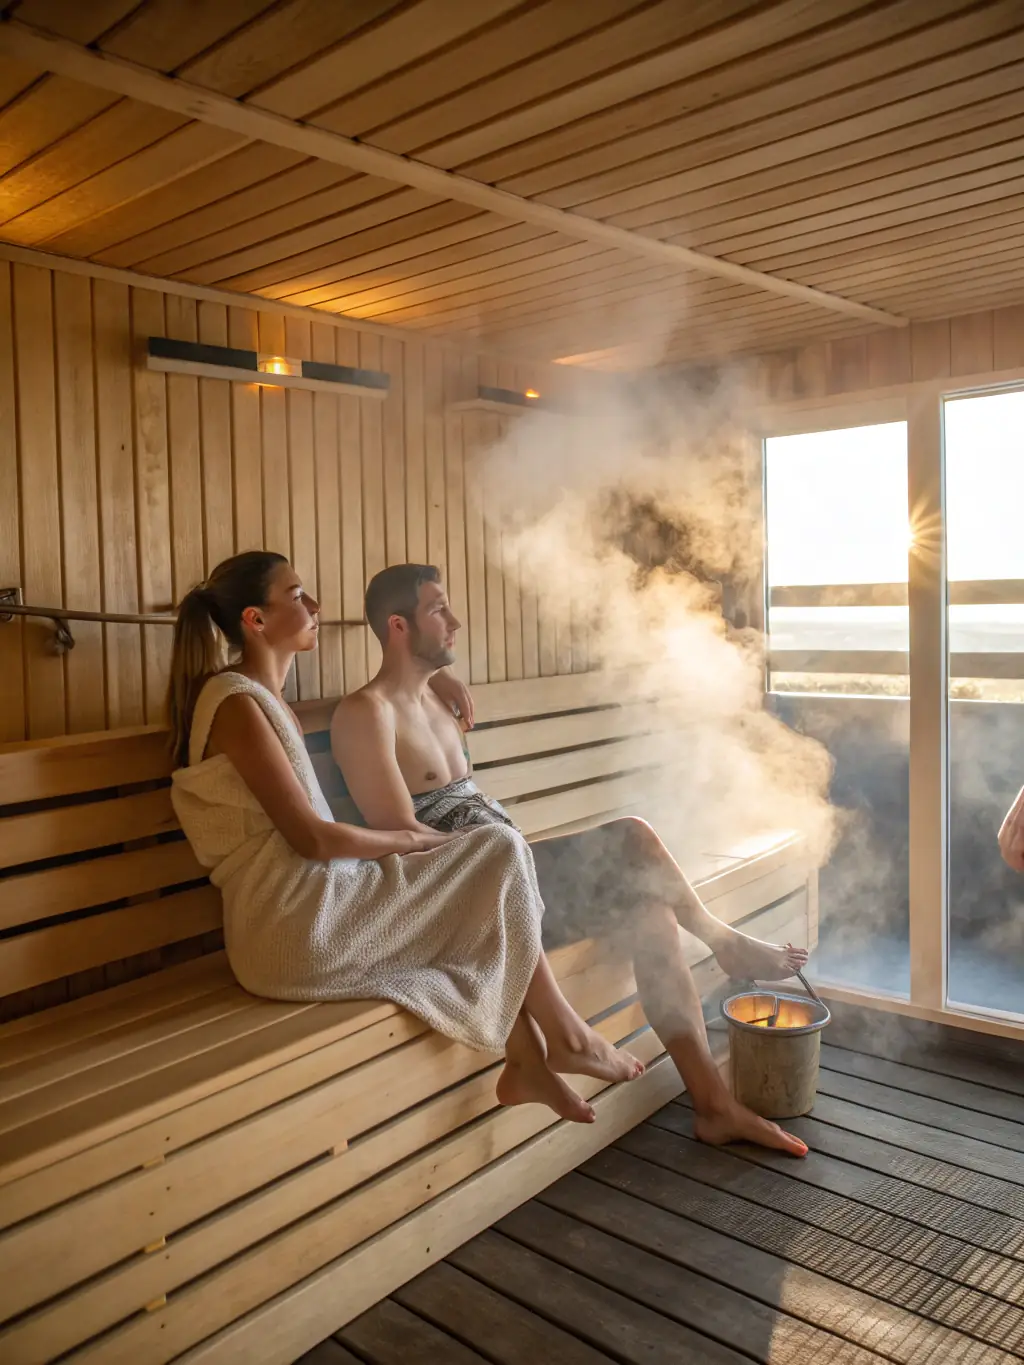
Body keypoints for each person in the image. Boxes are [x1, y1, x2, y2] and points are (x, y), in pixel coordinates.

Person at [332, 563, 812, 1158]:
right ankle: (720, 940)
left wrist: (441, 686)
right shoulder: (366, 713)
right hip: (462, 899)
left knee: (651, 913)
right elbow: (400, 836)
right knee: (633, 837)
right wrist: (494, 856)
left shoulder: (434, 699)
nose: (455, 622)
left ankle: (714, 1107)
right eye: (439, 610)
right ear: (398, 626)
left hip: (511, 877)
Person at [166, 550, 641, 1127]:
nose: (314, 605)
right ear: (255, 620)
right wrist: (414, 844)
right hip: (293, 928)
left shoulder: (263, 704)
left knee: (487, 860)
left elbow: (378, 699)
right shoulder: (239, 706)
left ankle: (529, 1060)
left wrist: (437, 673)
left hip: (317, 904)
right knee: (496, 849)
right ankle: (564, 1036)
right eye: (295, 595)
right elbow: (313, 840)